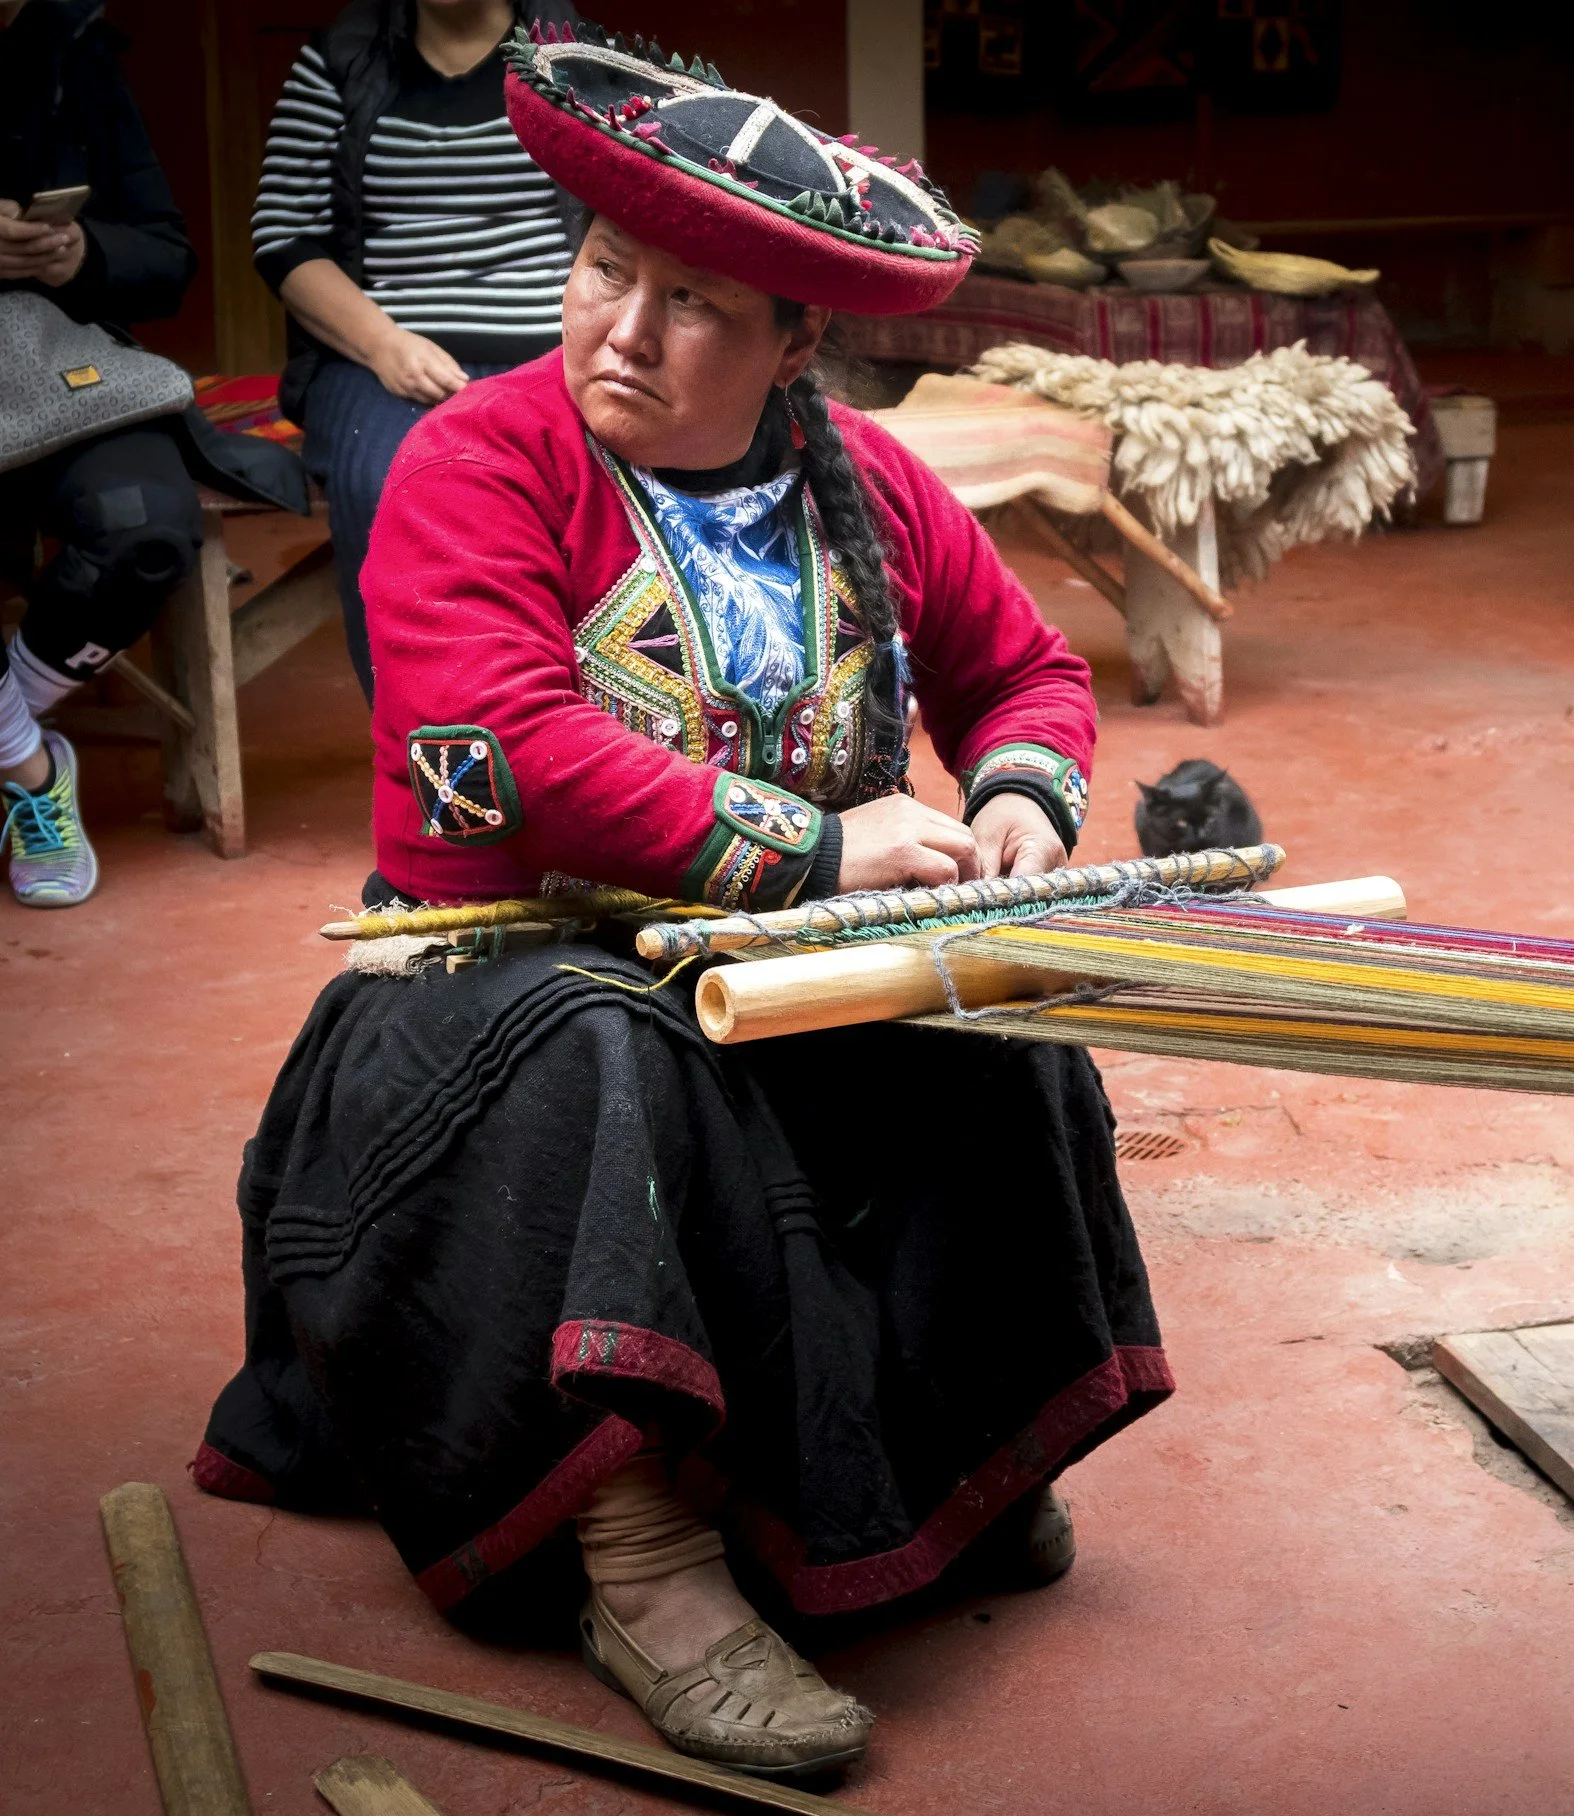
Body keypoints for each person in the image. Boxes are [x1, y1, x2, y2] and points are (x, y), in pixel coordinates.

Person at [194, 27, 1155, 1783]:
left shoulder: (874, 481)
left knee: (997, 1016)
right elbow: (514, 749)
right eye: (602, 269)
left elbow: (1023, 671)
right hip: (485, 995)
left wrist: (1017, 798)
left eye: (693, 302)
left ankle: (961, 1466)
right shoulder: (477, 464)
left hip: (758, 962)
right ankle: (641, 1559)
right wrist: (816, 849)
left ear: (800, 341)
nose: (620, 330)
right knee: (607, 1058)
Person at [254, 0, 580, 698]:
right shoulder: (338, 63)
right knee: (389, 487)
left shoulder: (573, 58)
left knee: (588, 498)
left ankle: (567, 729)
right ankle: (419, 743)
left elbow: (629, 207)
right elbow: (284, 236)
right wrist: (382, 345)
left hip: (559, 354)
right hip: (383, 360)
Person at [1, 0, 203, 906]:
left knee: (148, 527)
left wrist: (79, 253)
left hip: (67, 368)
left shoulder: (76, 45)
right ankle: (33, 772)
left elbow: (166, 256)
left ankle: (10, 720)